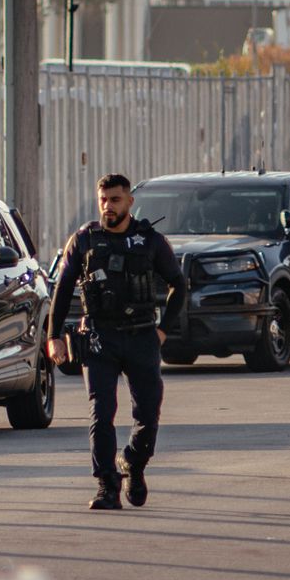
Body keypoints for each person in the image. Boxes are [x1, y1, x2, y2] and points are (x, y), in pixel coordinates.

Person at [46, 173, 186, 511]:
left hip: (141, 335)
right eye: (103, 200)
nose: (108, 206)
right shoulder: (83, 240)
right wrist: (53, 337)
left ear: (129, 202)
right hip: (98, 337)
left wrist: (163, 330)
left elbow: (178, 285)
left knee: (148, 412)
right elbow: (62, 291)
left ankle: (134, 464)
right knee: (101, 411)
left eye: (115, 200)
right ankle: (107, 485)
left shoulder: (150, 240)